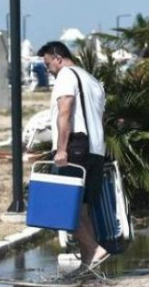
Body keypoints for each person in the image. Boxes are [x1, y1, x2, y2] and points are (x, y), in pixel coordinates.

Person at [37, 41, 108, 269]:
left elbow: (65, 111)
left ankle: (96, 248)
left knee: (64, 207)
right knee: (83, 207)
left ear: (58, 57)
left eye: (48, 63)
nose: (47, 69)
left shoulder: (66, 76)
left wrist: (61, 149)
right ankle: (88, 263)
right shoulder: (91, 79)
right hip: (96, 148)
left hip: (76, 146)